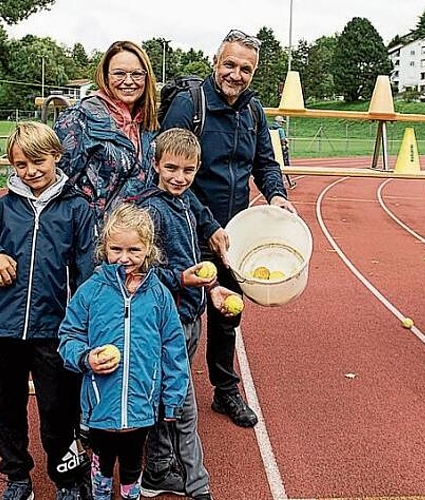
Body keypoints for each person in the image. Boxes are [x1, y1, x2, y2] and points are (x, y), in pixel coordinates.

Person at [160, 29, 296, 428]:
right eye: (230, 64)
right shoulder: (189, 106)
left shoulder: (254, 112)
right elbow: (172, 174)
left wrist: (275, 195)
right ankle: (166, 395)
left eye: (245, 69)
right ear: (215, 63)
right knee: (178, 316)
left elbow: (266, 164)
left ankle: (225, 390)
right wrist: (206, 224)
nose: (236, 74)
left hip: (233, 235)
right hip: (186, 229)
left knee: (227, 315)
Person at [0, 121, 97, 500]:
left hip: (53, 330)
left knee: (60, 410)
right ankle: (17, 476)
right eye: (21, 164)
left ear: (56, 156)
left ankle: (67, 478)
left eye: (38, 161)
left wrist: (84, 323)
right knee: (7, 408)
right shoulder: (2, 209)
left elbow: (87, 271)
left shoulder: (77, 210)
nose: (31, 171)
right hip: (0, 328)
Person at [133, 129, 241, 500]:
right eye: (172, 168)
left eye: (189, 170)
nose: (180, 177)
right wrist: (181, 279)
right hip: (167, 320)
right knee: (179, 402)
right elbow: (141, 268)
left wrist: (212, 288)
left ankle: (158, 470)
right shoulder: (151, 210)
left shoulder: (185, 199)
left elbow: (201, 218)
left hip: (191, 313)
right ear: (156, 165)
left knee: (167, 396)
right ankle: (196, 483)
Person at [58, 203, 190, 500]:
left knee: (132, 463)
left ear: (148, 250)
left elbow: (173, 350)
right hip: (99, 403)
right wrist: (85, 357)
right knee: (102, 462)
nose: (124, 258)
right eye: (116, 249)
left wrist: (171, 400)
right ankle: (101, 493)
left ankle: (131, 494)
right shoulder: (91, 291)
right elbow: (68, 335)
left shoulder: (159, 295)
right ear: (104, 247)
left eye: (134, 250)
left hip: (142, 405)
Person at [54, 40, 159, 221]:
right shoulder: (79, 119)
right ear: (105, 76)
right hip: (88, 236)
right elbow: (55, 183)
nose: (128, 81)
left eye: (137, 74)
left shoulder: (148, 123)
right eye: (119, 73)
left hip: (132, 239)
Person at [269, 115, 297, 189]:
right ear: (279, 122)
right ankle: (290, 183)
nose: (282, 124)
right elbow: (282, 140)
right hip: (281, 150)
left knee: (273, 167)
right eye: (281, 122)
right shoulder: (280, 130)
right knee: (285, 166)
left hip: (272, 150)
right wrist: (285, 146)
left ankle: (274, 184)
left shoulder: (269, 129)